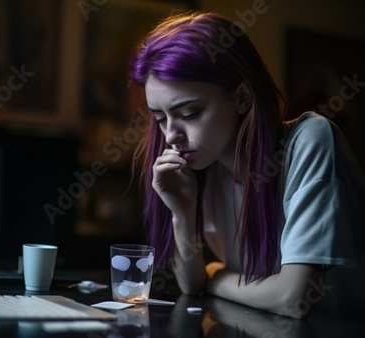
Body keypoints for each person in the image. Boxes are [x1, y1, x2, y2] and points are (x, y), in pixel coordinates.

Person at [129, 11, 365, 319]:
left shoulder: (310, 139)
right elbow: (191, 284)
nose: (171, 134)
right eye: (160, 119)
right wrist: (182, 214)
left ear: (242, 97)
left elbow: (294, 299)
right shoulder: (208, 166)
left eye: (188, 113)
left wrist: (216, 277)